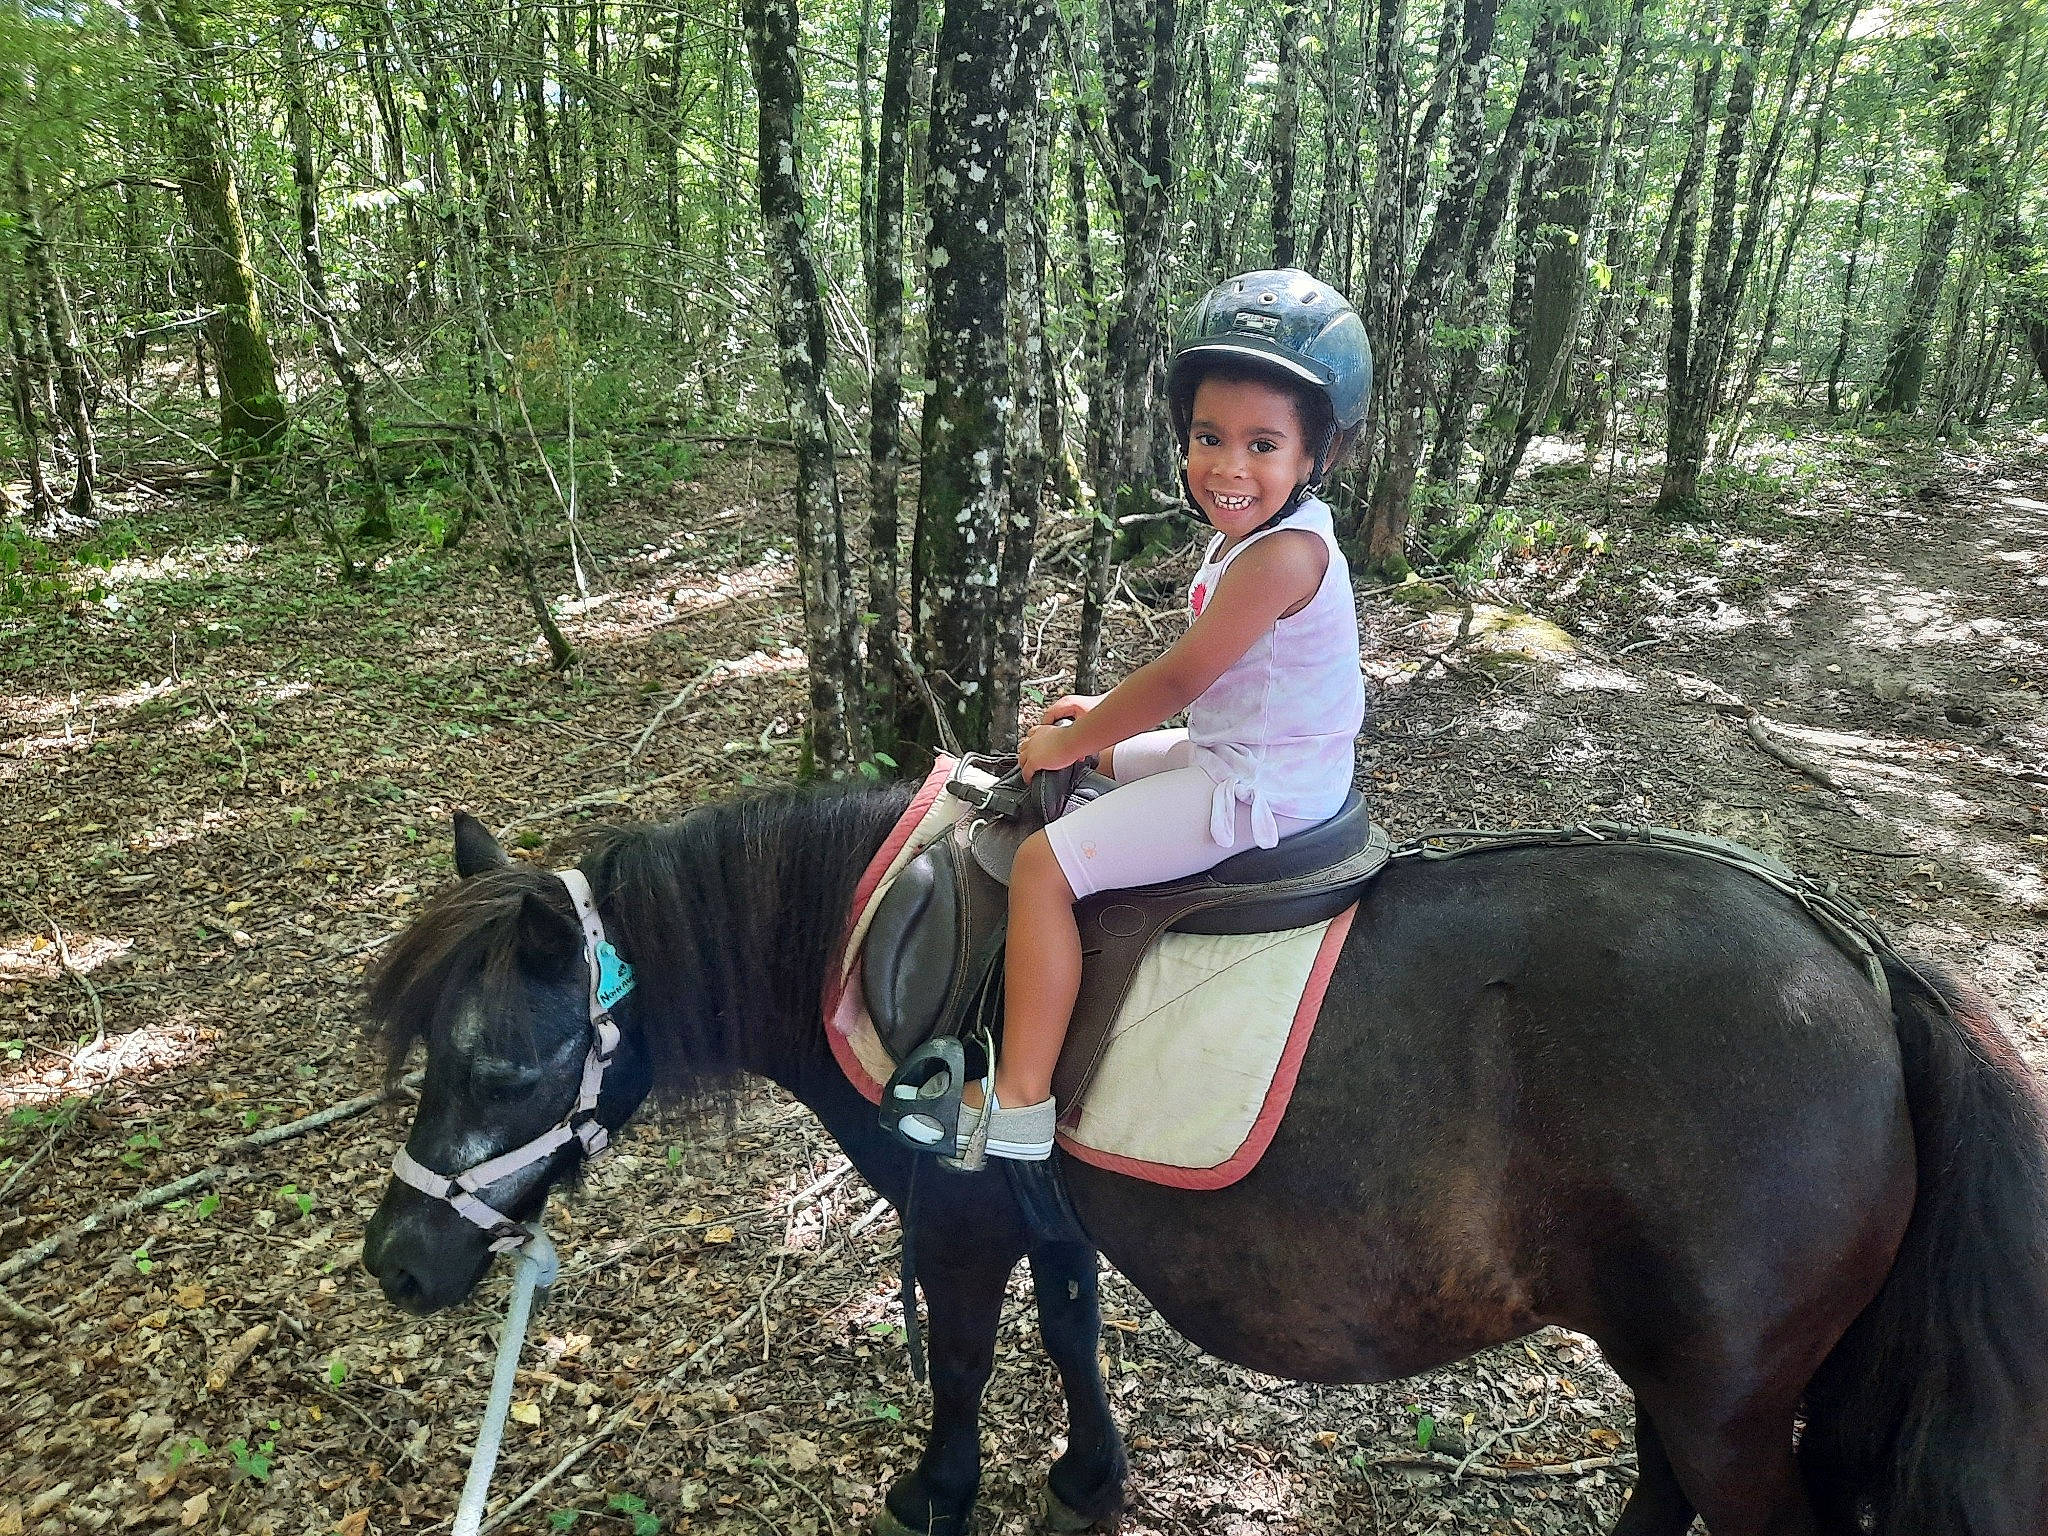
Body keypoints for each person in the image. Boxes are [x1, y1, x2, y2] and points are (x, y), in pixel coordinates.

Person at [959, 269, 1372, 1162]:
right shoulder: (1258, 534)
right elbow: (1210, 686)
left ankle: (1020, 1102)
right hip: (1255, 751)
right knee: (1106, 767)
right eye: (1208, 436)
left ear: (1317, 456)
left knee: (1042, 869)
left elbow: (1183, 677)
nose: (1228, 466)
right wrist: (1101, 725)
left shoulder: (1282, 557)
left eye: (1263, 444)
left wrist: (1079, 733)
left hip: (1256, 784)